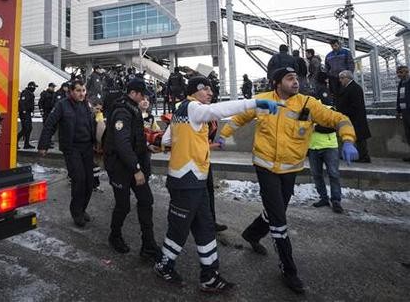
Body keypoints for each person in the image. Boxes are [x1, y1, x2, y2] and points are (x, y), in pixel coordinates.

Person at [219, 67, 358, 294]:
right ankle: (289, 270)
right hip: (264, 165)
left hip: (290, 167)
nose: (296, 82)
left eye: (297, 78)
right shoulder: (262, 100)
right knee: (278, 218)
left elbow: (338, 118)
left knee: (277, 209)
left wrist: (349, 139)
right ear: (277, 83)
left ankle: (252, 233)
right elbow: (239, 118)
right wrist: (224, 135)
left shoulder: (308, 103)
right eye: (290, 78)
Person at [154, 76, 281, 293]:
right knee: (179, 228)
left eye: (211, 90)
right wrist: (254, 102)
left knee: (205, 227)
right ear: (194, 91)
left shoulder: (179, 112)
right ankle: (164, 264)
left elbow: (167, 141)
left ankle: (209, 275)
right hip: (187, 180)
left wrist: (203, 143)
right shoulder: (193, 107)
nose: (210, 93)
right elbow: (220, 110)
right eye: (206, 89)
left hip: (193, 179)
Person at [103, 79, 161, 259]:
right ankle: (115, 235)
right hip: (120, 167)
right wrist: (136, 170)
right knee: (123, 205)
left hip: (134, 163)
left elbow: (135, 138)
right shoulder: (122, 111)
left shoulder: (133, 108)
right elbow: (122, 144)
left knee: (146, 200)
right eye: (142, 94)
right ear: (134, 93)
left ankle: (148, 245)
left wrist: (146, 147)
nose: (144, 98)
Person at [38, 80, 96, 227]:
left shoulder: (87, 105)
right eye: (78, 90)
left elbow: (92, 125)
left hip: (87, 148)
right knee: (79, 180)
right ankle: (76, 213)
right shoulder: (62, 105)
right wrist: (43, 144)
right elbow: (50, 124)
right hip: (72, 149)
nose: (81, 93)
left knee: (90, 182)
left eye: (83, 90)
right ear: (70, 91)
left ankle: (82, 209)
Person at [308, 84, 344, 213]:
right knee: (316, 175)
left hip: (330, 146)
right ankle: (323, 198)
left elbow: (331, 126)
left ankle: (336, 200)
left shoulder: (330, 108)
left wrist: (314, 127)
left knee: (333, 174)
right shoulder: (309, 109)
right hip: (313, 146)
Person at [335, 70, 372, 163]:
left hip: (355, 117)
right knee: (357, 137)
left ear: (348, 78)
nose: (340, 80)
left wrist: (344, 112)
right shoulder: (348, 88)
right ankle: (360, 155)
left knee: (360, 138)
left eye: (342, 78)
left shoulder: (355, 88)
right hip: (351, 117)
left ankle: (364, 156)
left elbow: (355, 105)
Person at [396, 65, 410, 162]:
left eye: (401, 72)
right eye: (398, 72)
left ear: (407, 72)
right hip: (405, 112)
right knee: (408, 134)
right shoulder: (401, 83)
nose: (399, 75)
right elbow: (399, 97)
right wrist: (398, 110)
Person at [17, 81, 37, 149]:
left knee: (29, 128)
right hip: (24, 114)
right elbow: (22, 102)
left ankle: (26, 144)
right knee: (26, 128)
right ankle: (16, 140)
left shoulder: (30, 93)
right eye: (34, 87)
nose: (35, 88)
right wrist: (24, 111)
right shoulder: (25, 93)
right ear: (31, 87)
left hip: (28, 113)